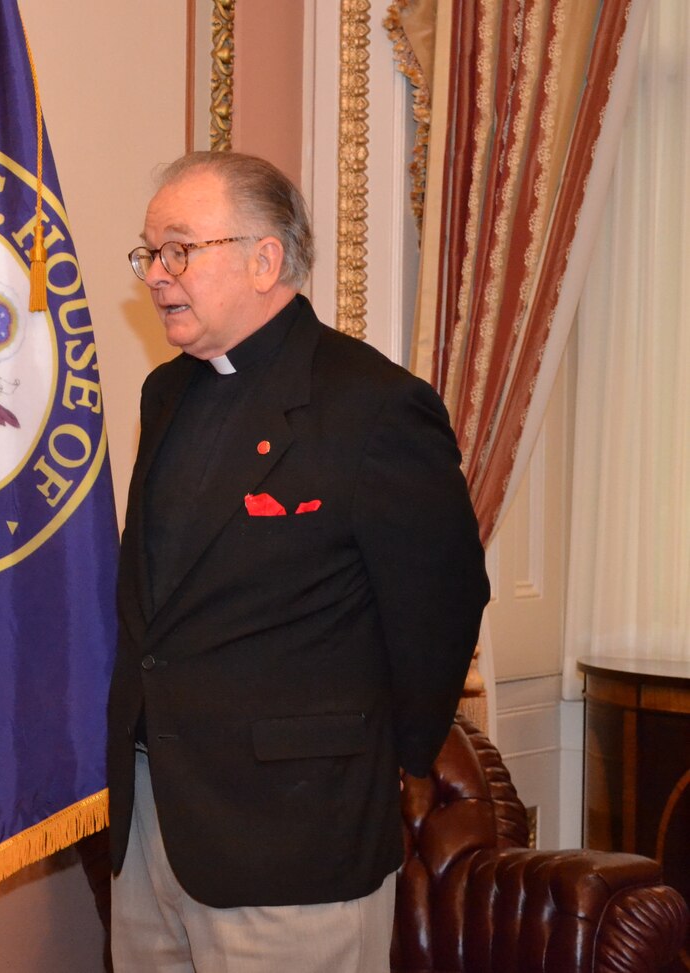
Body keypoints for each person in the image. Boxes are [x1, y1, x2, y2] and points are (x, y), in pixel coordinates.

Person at [108, 151, 490, 972]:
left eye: (179, 250)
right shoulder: (164, 394)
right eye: (148, 254)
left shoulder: (374, 407)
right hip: (153, 829)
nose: (156, 275)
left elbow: (443, 603)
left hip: (294, 839)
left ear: (264, 259)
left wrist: (400, 757)